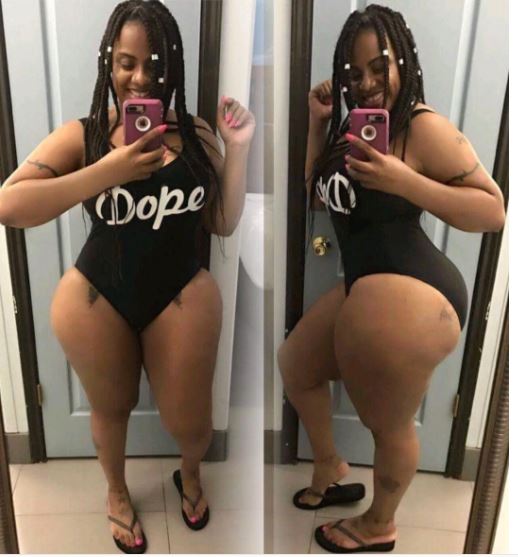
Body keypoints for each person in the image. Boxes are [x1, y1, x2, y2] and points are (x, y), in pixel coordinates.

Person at [0, 0, 255, 553]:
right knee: (110, 409)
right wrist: (106, 170)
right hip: (96, 299)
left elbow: (222, 222)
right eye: (126, 62)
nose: (140, 77)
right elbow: (9, 204)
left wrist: (237, 150)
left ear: (172, 69)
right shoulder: (86, 135)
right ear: (108, 64)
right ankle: (115, 492)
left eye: (154, 64)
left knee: (191, 423)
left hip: (180, 295)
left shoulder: (197, 135)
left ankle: (190, 473)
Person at [277, 4, 504, 554]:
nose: (368, 83)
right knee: (296, 365)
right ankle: (330, 466)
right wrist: (317, 124)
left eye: (380, 67)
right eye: (355, 73)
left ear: (404, 60)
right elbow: (319, 195)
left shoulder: (421, 126)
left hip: (417, 289)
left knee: (388, 424)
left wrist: (404, 181)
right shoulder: (353, 128)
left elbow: (492, 210)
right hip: (367, 282)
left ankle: (380, 524)